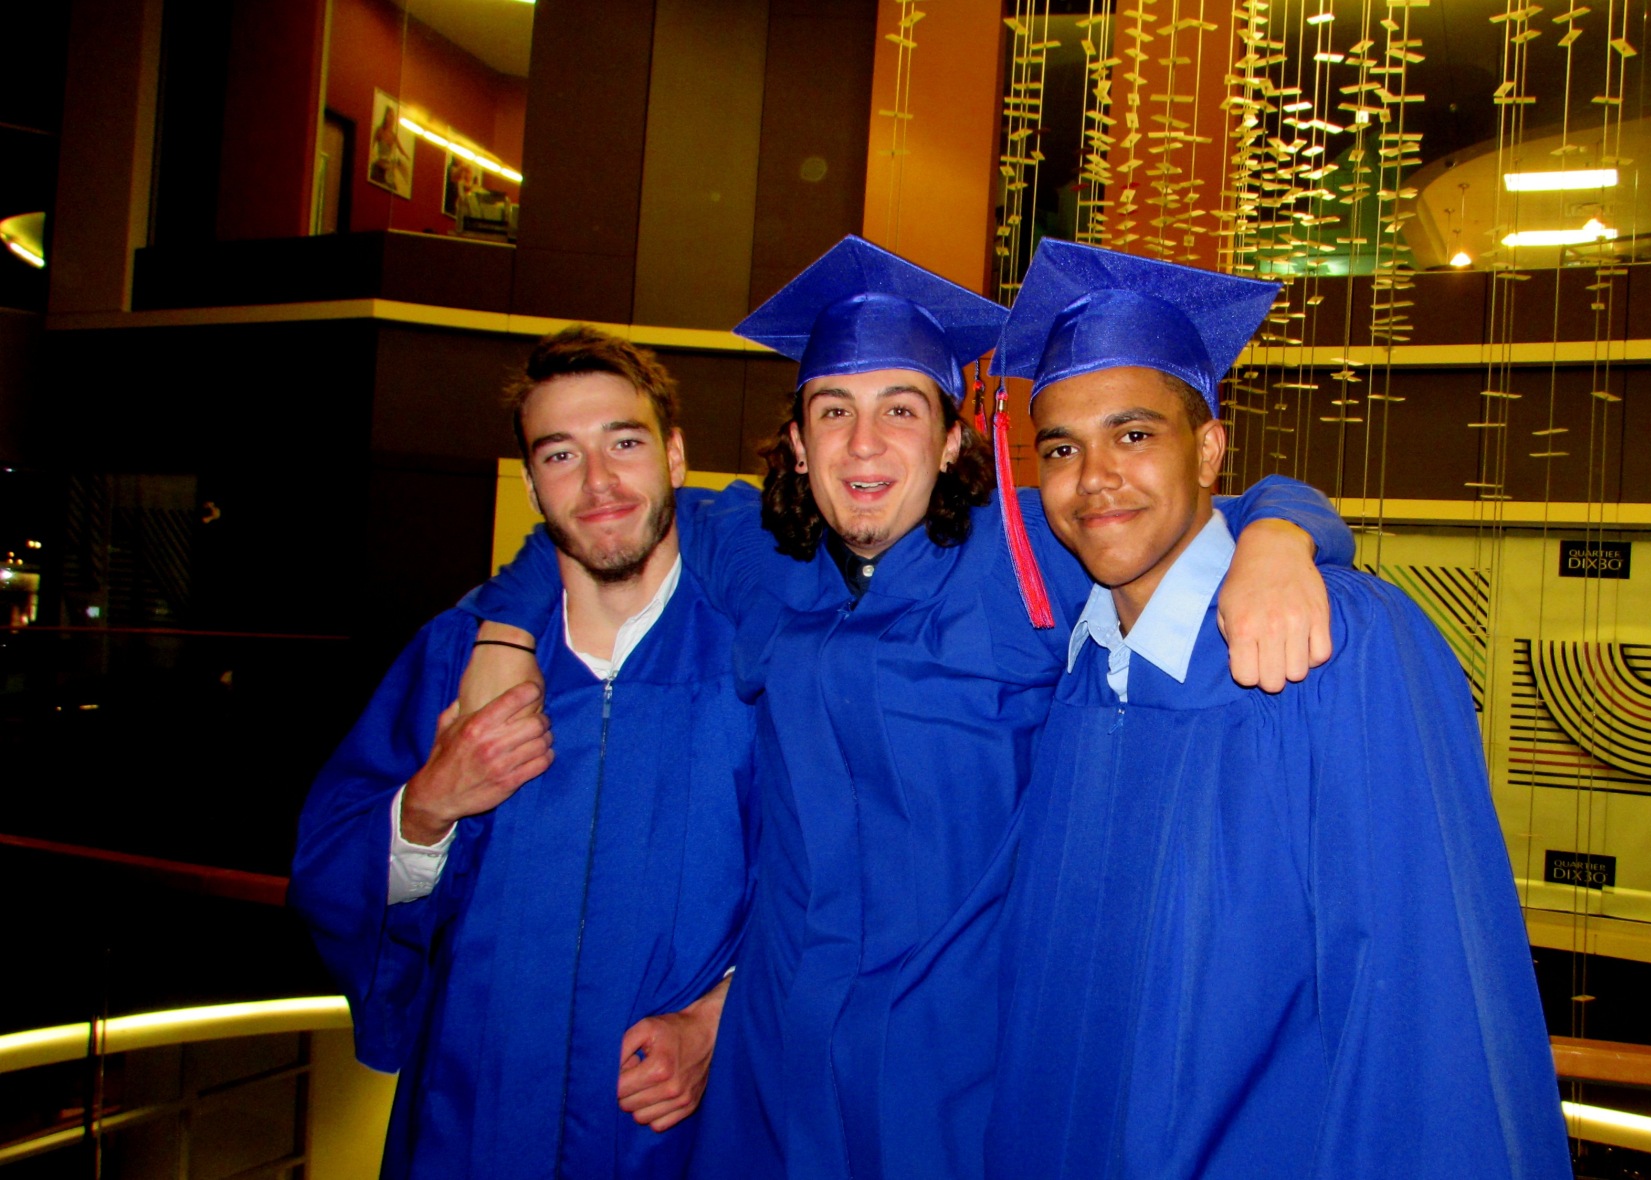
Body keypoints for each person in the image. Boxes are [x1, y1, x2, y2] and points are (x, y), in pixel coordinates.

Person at [455, 235, 1355, 1180]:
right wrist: (504, 630)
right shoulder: (760, 557)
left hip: (961, 1073)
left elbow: (1197, 509)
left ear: (952, 439)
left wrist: (1284, 535)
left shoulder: (1031, 557)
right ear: (798, 445)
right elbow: (605, 514)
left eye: (900, 409)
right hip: (776, 1061)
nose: (864, 444)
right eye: (833, 412)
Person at [983, 239, 1572, 1179]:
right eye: (1061, 448)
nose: (1094, 478)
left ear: (1209, 449)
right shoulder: (1081, 665)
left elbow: (1422, 993)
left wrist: (1285, 531)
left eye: (1133, 436)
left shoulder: (1339, 642)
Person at [289, 328, 753, 1178]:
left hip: (676, 1127)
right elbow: (331, 869)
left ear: (676, 457)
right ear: (533, 484)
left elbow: (834, 883)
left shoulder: (760, 660)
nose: (599, 481)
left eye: (624, 442)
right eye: (560, 455)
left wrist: (723, 1015)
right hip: (476, 1113)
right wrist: (426, 807)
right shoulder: (456, 656)